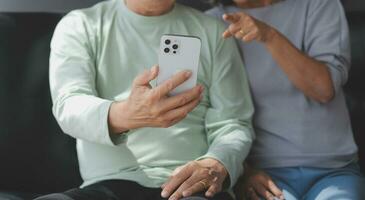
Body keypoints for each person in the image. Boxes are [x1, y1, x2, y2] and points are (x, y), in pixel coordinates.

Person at [34, 0, 255, 200]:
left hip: (191, 184)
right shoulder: (80, 25)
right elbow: (68, 106)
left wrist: (216, 163)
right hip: (108, 184)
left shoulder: (214, 31)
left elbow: (234, 122)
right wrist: (127, 114)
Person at [207, 0, 365, 199]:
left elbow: (323, 89)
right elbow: (207, 116)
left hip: (333, 170)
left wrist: (269, 35)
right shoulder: (211, 23)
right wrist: (243, 172)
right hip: (264, 175)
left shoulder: (319, 5)